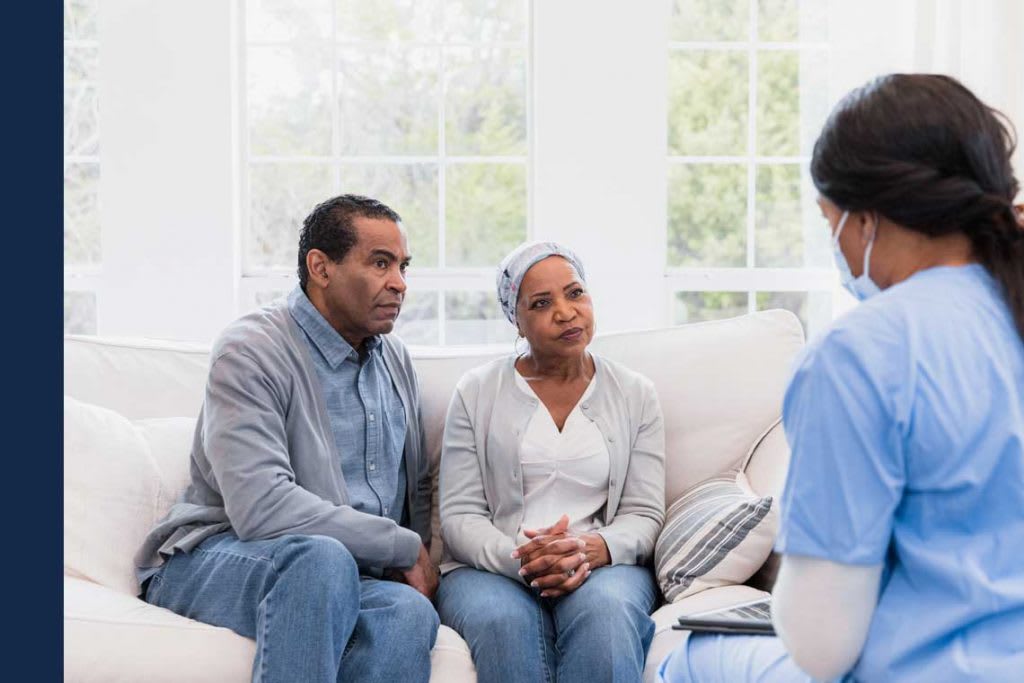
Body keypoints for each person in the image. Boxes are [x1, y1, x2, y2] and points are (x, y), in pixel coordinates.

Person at [659, 74, 1024, 682]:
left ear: (865, 219)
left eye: (829, 219)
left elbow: (821, 645)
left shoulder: (862, 352)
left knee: (691, 661)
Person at [134, 194, 440, 683]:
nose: (399, 283)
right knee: (320, 560)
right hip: (219, 556)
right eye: (380, 263)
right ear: (320, 267)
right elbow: (262, 509)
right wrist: (400, 546)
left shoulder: (395, 359)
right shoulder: (252, 350)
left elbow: (414, 486)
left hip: (349, 573)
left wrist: (412, 556)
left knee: (408, 612)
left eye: (403, 266)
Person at [437, 241, 666, 683]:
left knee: (607, 615)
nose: (565, 312)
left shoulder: (635, 393)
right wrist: (524, 559)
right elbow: (460, 516)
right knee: (504, 624)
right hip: (493, 567)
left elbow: (644, 512)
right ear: (516, 320)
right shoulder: (476, 391)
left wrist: (592, 550)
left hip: (600, 563)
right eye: (541, 303)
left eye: (575, 293)